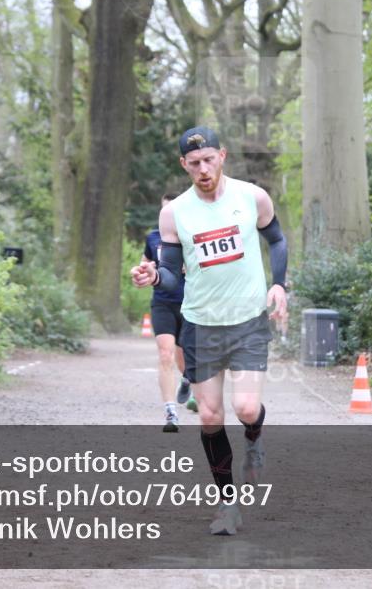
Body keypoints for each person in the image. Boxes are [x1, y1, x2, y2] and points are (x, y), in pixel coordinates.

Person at [131, 125, 289, 536]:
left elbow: (277, 240)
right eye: (194, 163)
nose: (203, 169)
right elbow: (170, 274)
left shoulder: (252, 197)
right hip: (200, 324)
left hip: (248, 320)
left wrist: (279, 283)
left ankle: (254, 440)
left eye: (209, 160)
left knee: (248, 409)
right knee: (209, 415)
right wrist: (152, 277)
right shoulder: (175, 213)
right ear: (184, 165)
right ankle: (228, 505)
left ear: (223, 156)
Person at [141, 192, 198, 433]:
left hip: (190, 303)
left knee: (185, 357)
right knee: (165, 354)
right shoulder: (153, 238)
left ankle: (187, 380)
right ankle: (171, 412)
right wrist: (145, 270)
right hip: (162, 302)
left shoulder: (193, 236)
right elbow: (146, 262)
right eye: (165, 210)